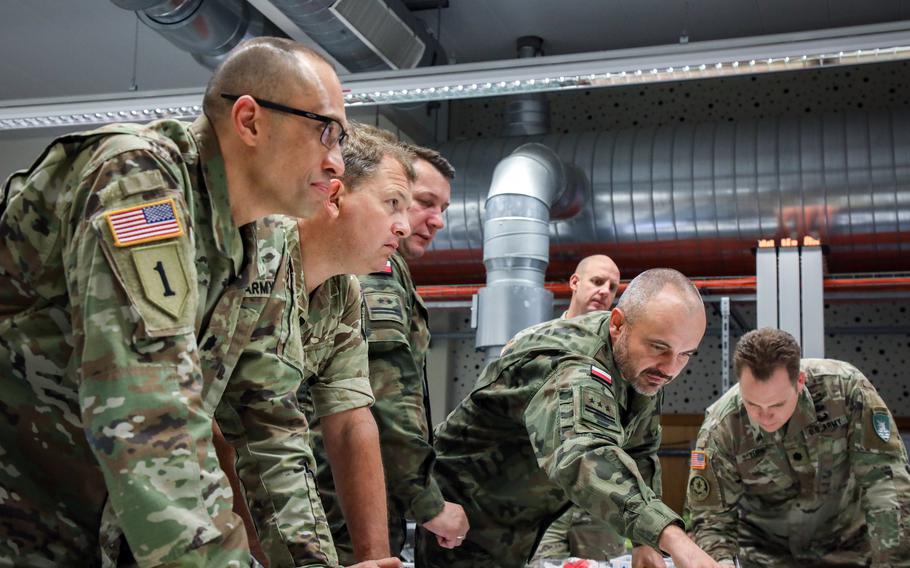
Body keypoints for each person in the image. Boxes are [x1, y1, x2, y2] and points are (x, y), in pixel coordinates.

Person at [0, 36, 347, 566]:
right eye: (327, 132)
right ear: (250, 121)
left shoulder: (264, 239)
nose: (336, 162)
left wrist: (310, 561)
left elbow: (267, 423)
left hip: (95, 522)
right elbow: (148, 409)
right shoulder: (138, 180)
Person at [417, 268, 720, 568]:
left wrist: (646, 542)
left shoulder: (641, 365)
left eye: (686, 354)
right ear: (617, 324)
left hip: (526, 511)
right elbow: (584, 454)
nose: (670, 369)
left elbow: (639, 449)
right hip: (466, 515)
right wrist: (673, 538)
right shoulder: (574, 365)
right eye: (660, 347)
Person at [227, 124, 413, 568]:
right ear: (334, 197)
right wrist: (266, 555)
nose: (403, 227)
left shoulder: (343, 294)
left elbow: (351, 423)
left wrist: (375, 559)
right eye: (392, 205)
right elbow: (225, 423)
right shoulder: (253, 254)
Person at [311, 138, 470, 564]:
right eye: (420, 202)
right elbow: (385, 392)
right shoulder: (375, 268)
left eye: (443, 209)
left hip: (333, 493)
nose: (433, 220)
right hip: (338, 497)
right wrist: (426, 502)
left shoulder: (375, 266)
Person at [687, 327, 910, 567]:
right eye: (752, 404)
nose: (765, 416)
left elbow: (885, 483)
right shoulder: (721, 428)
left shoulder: (846, 392)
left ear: (800, 381)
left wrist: (894, 562)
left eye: (777, 404)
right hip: (765, 556)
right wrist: (723, 563)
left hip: (850, 548)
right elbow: (712, 520)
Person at [530, 254, 633, 564]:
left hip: (600, 498)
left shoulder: (622, 357)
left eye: (612, 286)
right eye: (597, 281)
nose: (604, 291)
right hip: (543, 496)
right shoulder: (536, 342)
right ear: (575, 282)